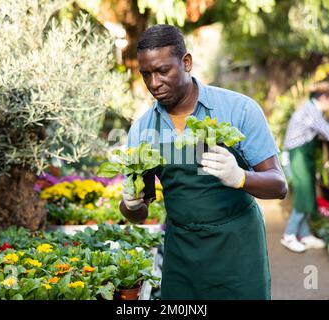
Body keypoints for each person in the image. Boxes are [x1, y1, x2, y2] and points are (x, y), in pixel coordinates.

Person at [119, 24, 287, 300]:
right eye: (146, 74)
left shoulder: (238, 110)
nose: (154, 83)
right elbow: (139, 213)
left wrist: (241, 177)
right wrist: (131, 204)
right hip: (182, 253)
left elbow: (279, 186)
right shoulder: (144, 130)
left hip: (238, 249)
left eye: (163, 71)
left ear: (186, 63)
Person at [281, 83, 329, 253]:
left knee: (308, 193)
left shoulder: (311, 108)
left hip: (301, 156)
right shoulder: (311, 110)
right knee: (303, 195)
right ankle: (289, 235)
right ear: (323, 98)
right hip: (297, 157)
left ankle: (305, 234)